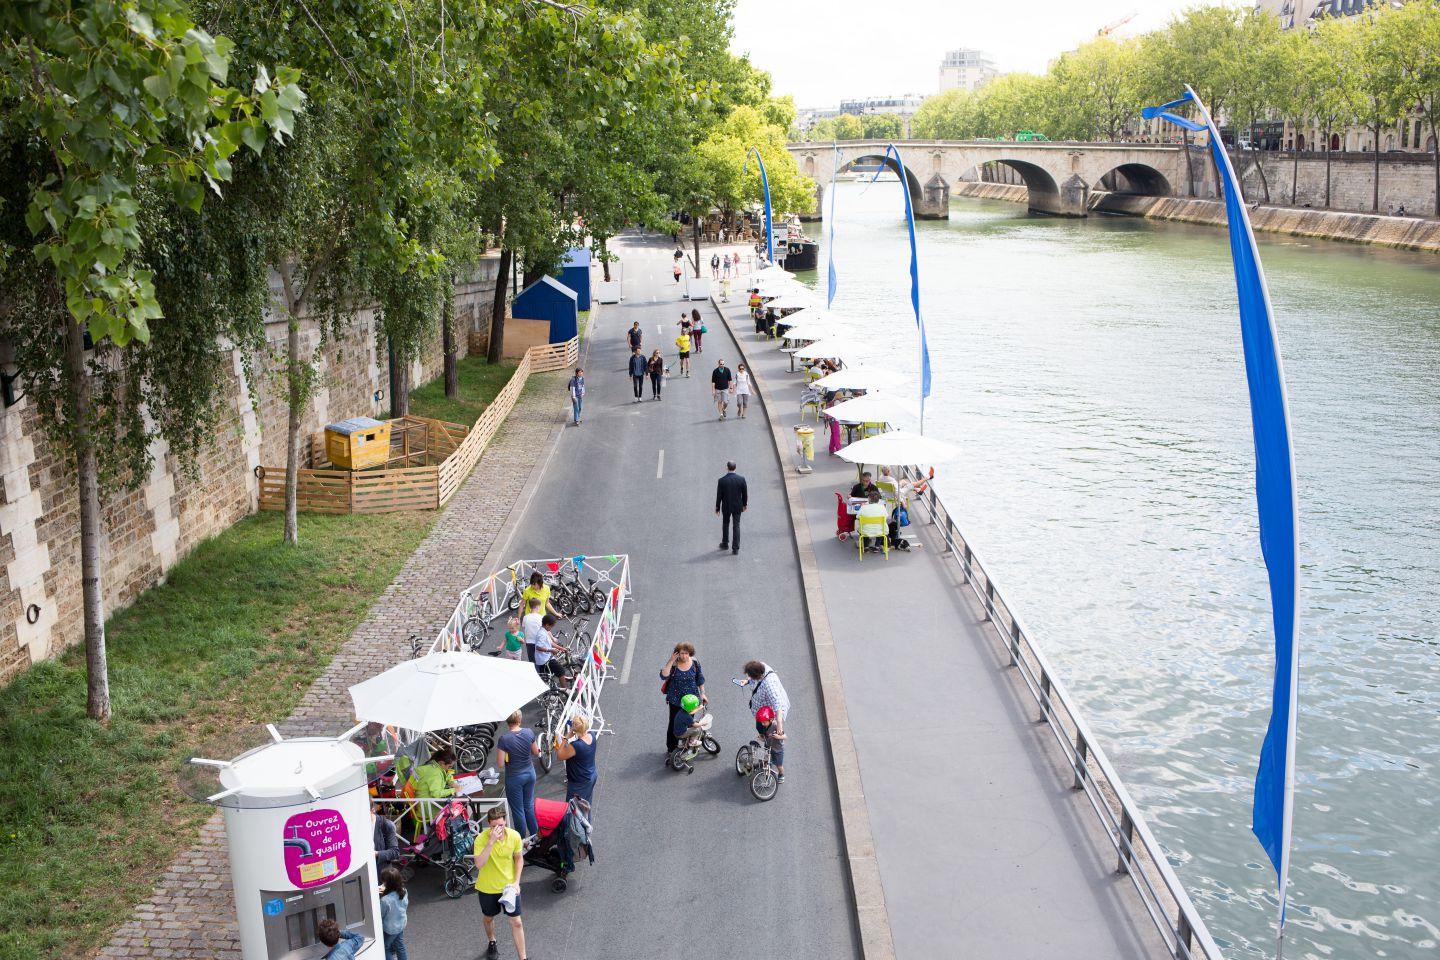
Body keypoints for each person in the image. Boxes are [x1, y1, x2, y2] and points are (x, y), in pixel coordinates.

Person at [473, 805, 527, 960]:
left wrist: (516, 882)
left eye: (501, 825)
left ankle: (522, 958)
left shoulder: (514, 836)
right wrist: (491, 842)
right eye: (494, 826)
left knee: (516, 922)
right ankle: (492, 941)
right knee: (489, 918)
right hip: (487, 888)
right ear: (488, 825)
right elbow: (479, 864)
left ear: (505, 823)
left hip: (509, 887)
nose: (498, 829)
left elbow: (519, 859)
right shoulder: (481, 839)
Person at [742, 660, 790, 782]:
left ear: (757, 675)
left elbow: (777, 704)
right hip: (762, 714)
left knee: (778, 763)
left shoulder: (769, 685)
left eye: (750, 676)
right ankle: (765, 738)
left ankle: (780, 774)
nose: (748, 677)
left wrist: (779, 724)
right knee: (763, 732)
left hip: (768, 714)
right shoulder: (760, 666)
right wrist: (747, 681)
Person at [497, 710, 539, 840]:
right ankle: (535, 836)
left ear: (507, 721)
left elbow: (499, 764)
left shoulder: (504, 739)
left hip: (514, 778)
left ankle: (520, 840)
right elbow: (536, 752)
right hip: (530, 773)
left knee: (518, 810)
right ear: (519, 720)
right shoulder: (529, 732)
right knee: (529, 805)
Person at [659, 642, 707, 753]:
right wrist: (671, 660)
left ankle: (687, 744)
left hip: (692, 700)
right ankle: (672, 748)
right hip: (676, 700)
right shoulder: (674, 665)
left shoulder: (695, 662)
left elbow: (699, 678)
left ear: (690, 653)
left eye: (686, 653)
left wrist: (703, 693)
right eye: (681, 653)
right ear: (677, 653)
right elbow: (663, 676)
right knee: (674, 723)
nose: (684, 656)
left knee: (688, 722)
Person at [555, 713, 598, 813]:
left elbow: (559, 756)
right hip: (591, 776)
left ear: (574, 729)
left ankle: (578, 828)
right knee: (586, 807)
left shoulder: (576, 746)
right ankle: (587, 826)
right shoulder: (592, 735)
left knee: (573, 811)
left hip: (579, 783)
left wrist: (566, 738)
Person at [412, 747, 457, 829]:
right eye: (450, 766)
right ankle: (446, 832)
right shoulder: (435, 773)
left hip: (424, 803)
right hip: (427, 807)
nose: (450, 769)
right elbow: (436, 793)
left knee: (453, 807)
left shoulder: (434, 766)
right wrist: (453, 790)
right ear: (442, 763)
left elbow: (446, 774)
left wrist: (451, 782)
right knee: (454, 810)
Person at [715, 459, 747, 554]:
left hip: (726, 506)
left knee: (725, 524)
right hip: (737, 507)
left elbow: (719, 496)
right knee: (736, 526)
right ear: (735, 468)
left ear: (727, 468)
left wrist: (717, 508)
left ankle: (725, 543)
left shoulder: (721, 481)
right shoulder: (741, 479)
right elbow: (745, 494)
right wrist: (744, 504)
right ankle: (735, 548)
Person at [379, 867, 409, 960]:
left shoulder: (385, 900)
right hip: (401, 924)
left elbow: (381, 915)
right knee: (400, 946)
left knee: (385, 948)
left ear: (387, 883)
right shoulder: (403, 890)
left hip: (390, 929)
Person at [532, 613, 570, 688]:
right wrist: (550, 650)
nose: (552, 628)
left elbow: (550, 643)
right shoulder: (542, 634)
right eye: (552, 626)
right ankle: (565, 690)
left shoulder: (544, 631)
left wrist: (561, 648)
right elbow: (538, 647)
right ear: (547, 625)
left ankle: (551, 691)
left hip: (544, 658)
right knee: (561, 671)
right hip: (545, 659)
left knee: (548, 677)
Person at [373, 800, 401, 871]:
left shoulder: (386, 825)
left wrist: (377, 854)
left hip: (381, 873)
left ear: (373, 810)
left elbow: (395, 852)